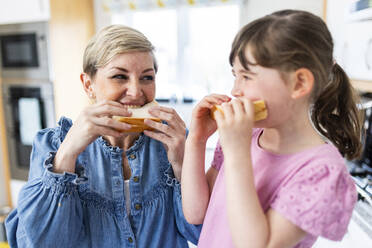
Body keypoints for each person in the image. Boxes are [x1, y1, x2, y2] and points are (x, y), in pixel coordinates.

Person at [5, 24, 201, 248]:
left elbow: (203, 234)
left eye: (147, 78)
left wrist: (182, 164)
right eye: (119, 76)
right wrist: (67, 154)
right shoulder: (52, 144)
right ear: (88, 85)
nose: (136, 92)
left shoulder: (173, 141)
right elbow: (37, 243)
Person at [181, 10, 362, 248]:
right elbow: (196, 213)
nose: (236, 90)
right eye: (235, 75)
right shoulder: (244, 138)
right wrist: (197, 140)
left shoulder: (322, 171)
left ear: (299, 84)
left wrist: (237, 153)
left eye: (247, 76)